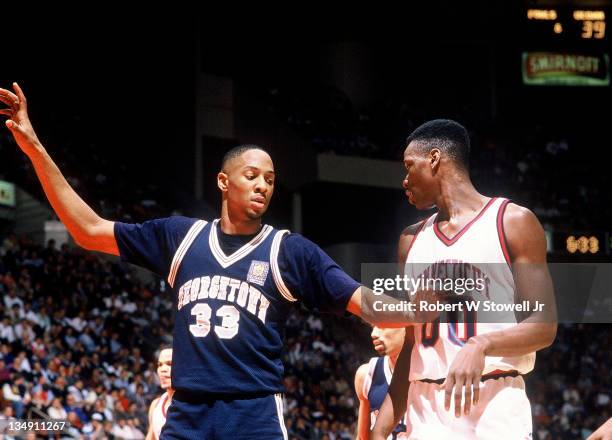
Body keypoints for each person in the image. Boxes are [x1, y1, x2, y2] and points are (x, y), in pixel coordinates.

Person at [0, 82, 413, 439]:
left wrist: (434, 311)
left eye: (270, 180)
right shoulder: (181, 237)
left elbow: (365, 301)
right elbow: (87, 230)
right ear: (223, 181)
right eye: (252, 175)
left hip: (254, 413)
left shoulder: (288, 251)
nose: (263, 186)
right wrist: (35, 149)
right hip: (188, 414)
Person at [372, 119, 557, 439]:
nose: (404, 179)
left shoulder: (512, 222)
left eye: (408, 166)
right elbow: (410, 345)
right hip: (424, 410)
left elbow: (543, 325)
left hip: (494, 404)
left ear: (433, 158)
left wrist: (482, 345)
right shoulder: (410, 240)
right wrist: (381, 428)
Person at [355, 326, 412, 439]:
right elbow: (363, 437)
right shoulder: (367, 374)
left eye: (382, 326)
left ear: (408, 328)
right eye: (372, 326)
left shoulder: (434, 372)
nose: (373, 333)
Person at [146, 346, 173, 440]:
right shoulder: (155, 405)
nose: (163, 369)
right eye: (160, 365)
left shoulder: (195, 404)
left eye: (170, 364)